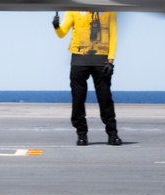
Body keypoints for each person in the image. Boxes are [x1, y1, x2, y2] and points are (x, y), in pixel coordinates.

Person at [52, 10, 122, 146]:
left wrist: (110, 60)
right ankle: (82, 135)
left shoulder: (109, 10)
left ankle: (113, 134)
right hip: (79, 58)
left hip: (101, 58)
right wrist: (56, 26)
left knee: (105, 97)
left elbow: (113, 34)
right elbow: (62, 33)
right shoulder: (73, 10)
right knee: (78, 98)